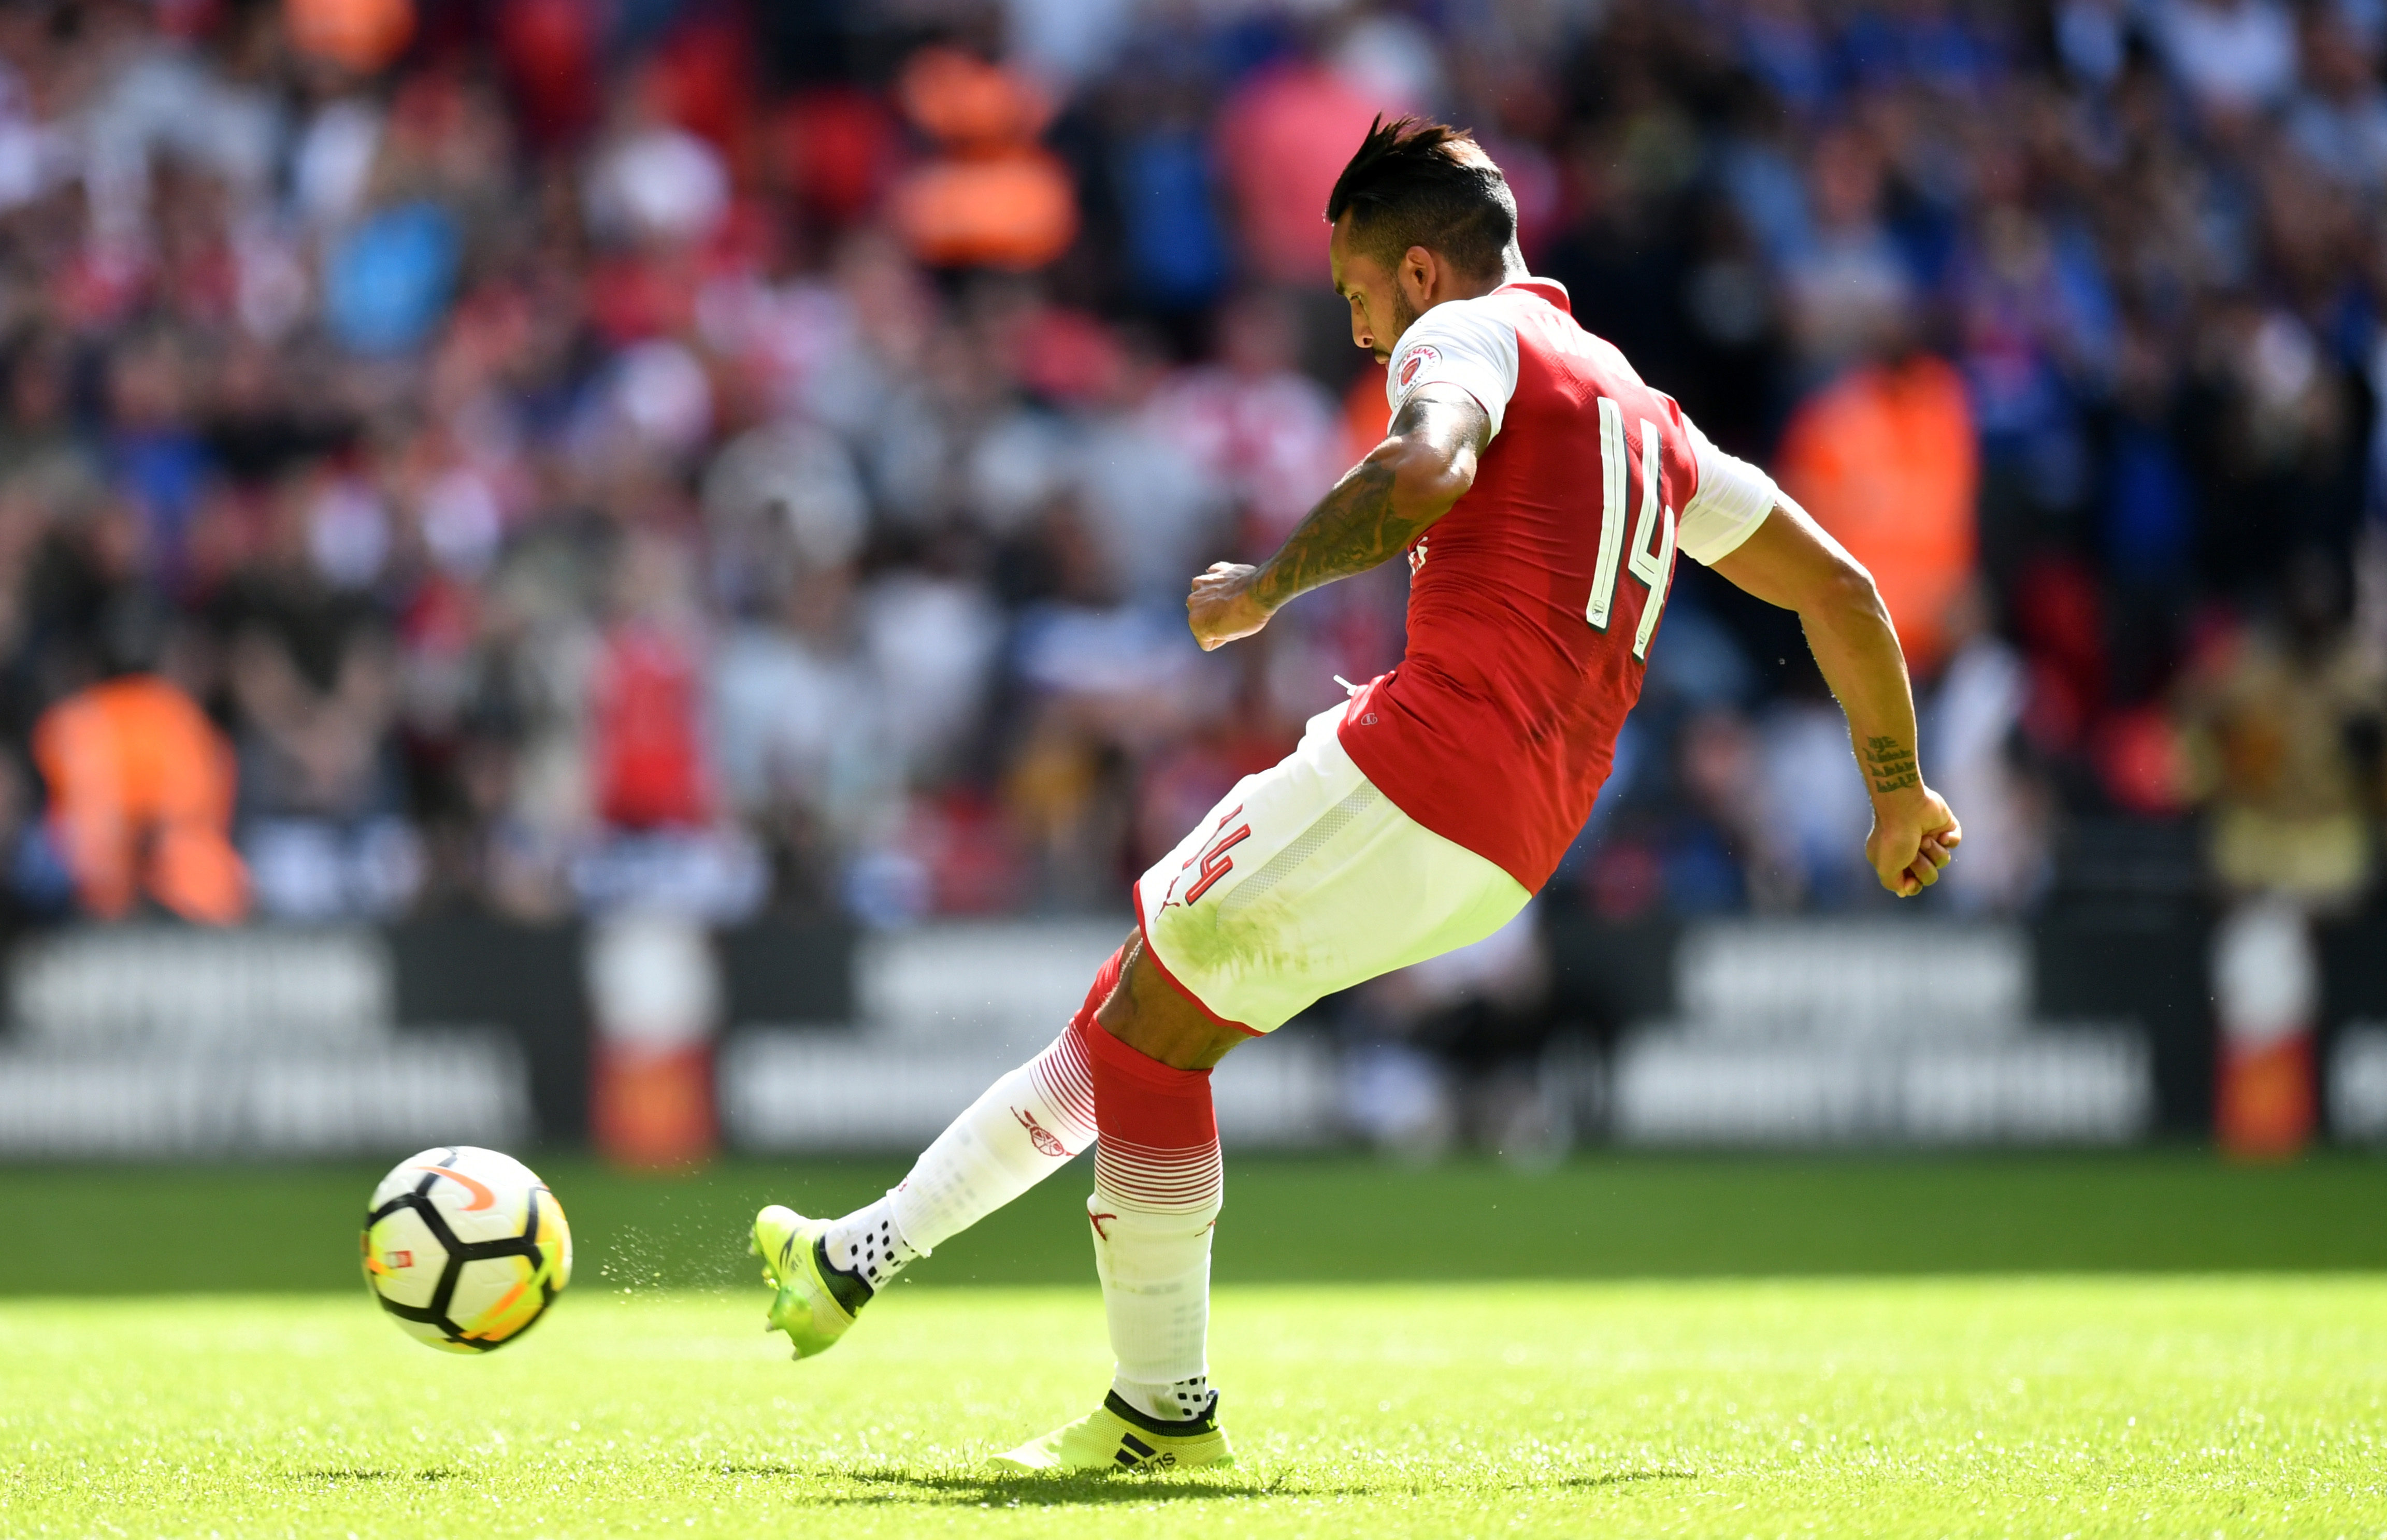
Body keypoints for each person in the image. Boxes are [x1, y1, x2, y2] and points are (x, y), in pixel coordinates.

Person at [749, 117, 1961, 1473]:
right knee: (1137, 1014)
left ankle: (1160, 1414)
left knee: (1151, 1034)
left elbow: (1428, 464)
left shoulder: (1471, 343)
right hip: (1519, 838)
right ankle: (859, 1256)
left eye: (1358, 296)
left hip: (1426, 769)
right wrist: (1899, 791)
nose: (1360, 334)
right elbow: (1841, 591)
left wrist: (1267, 585)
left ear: (1425, 272)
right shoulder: (1646, 415)